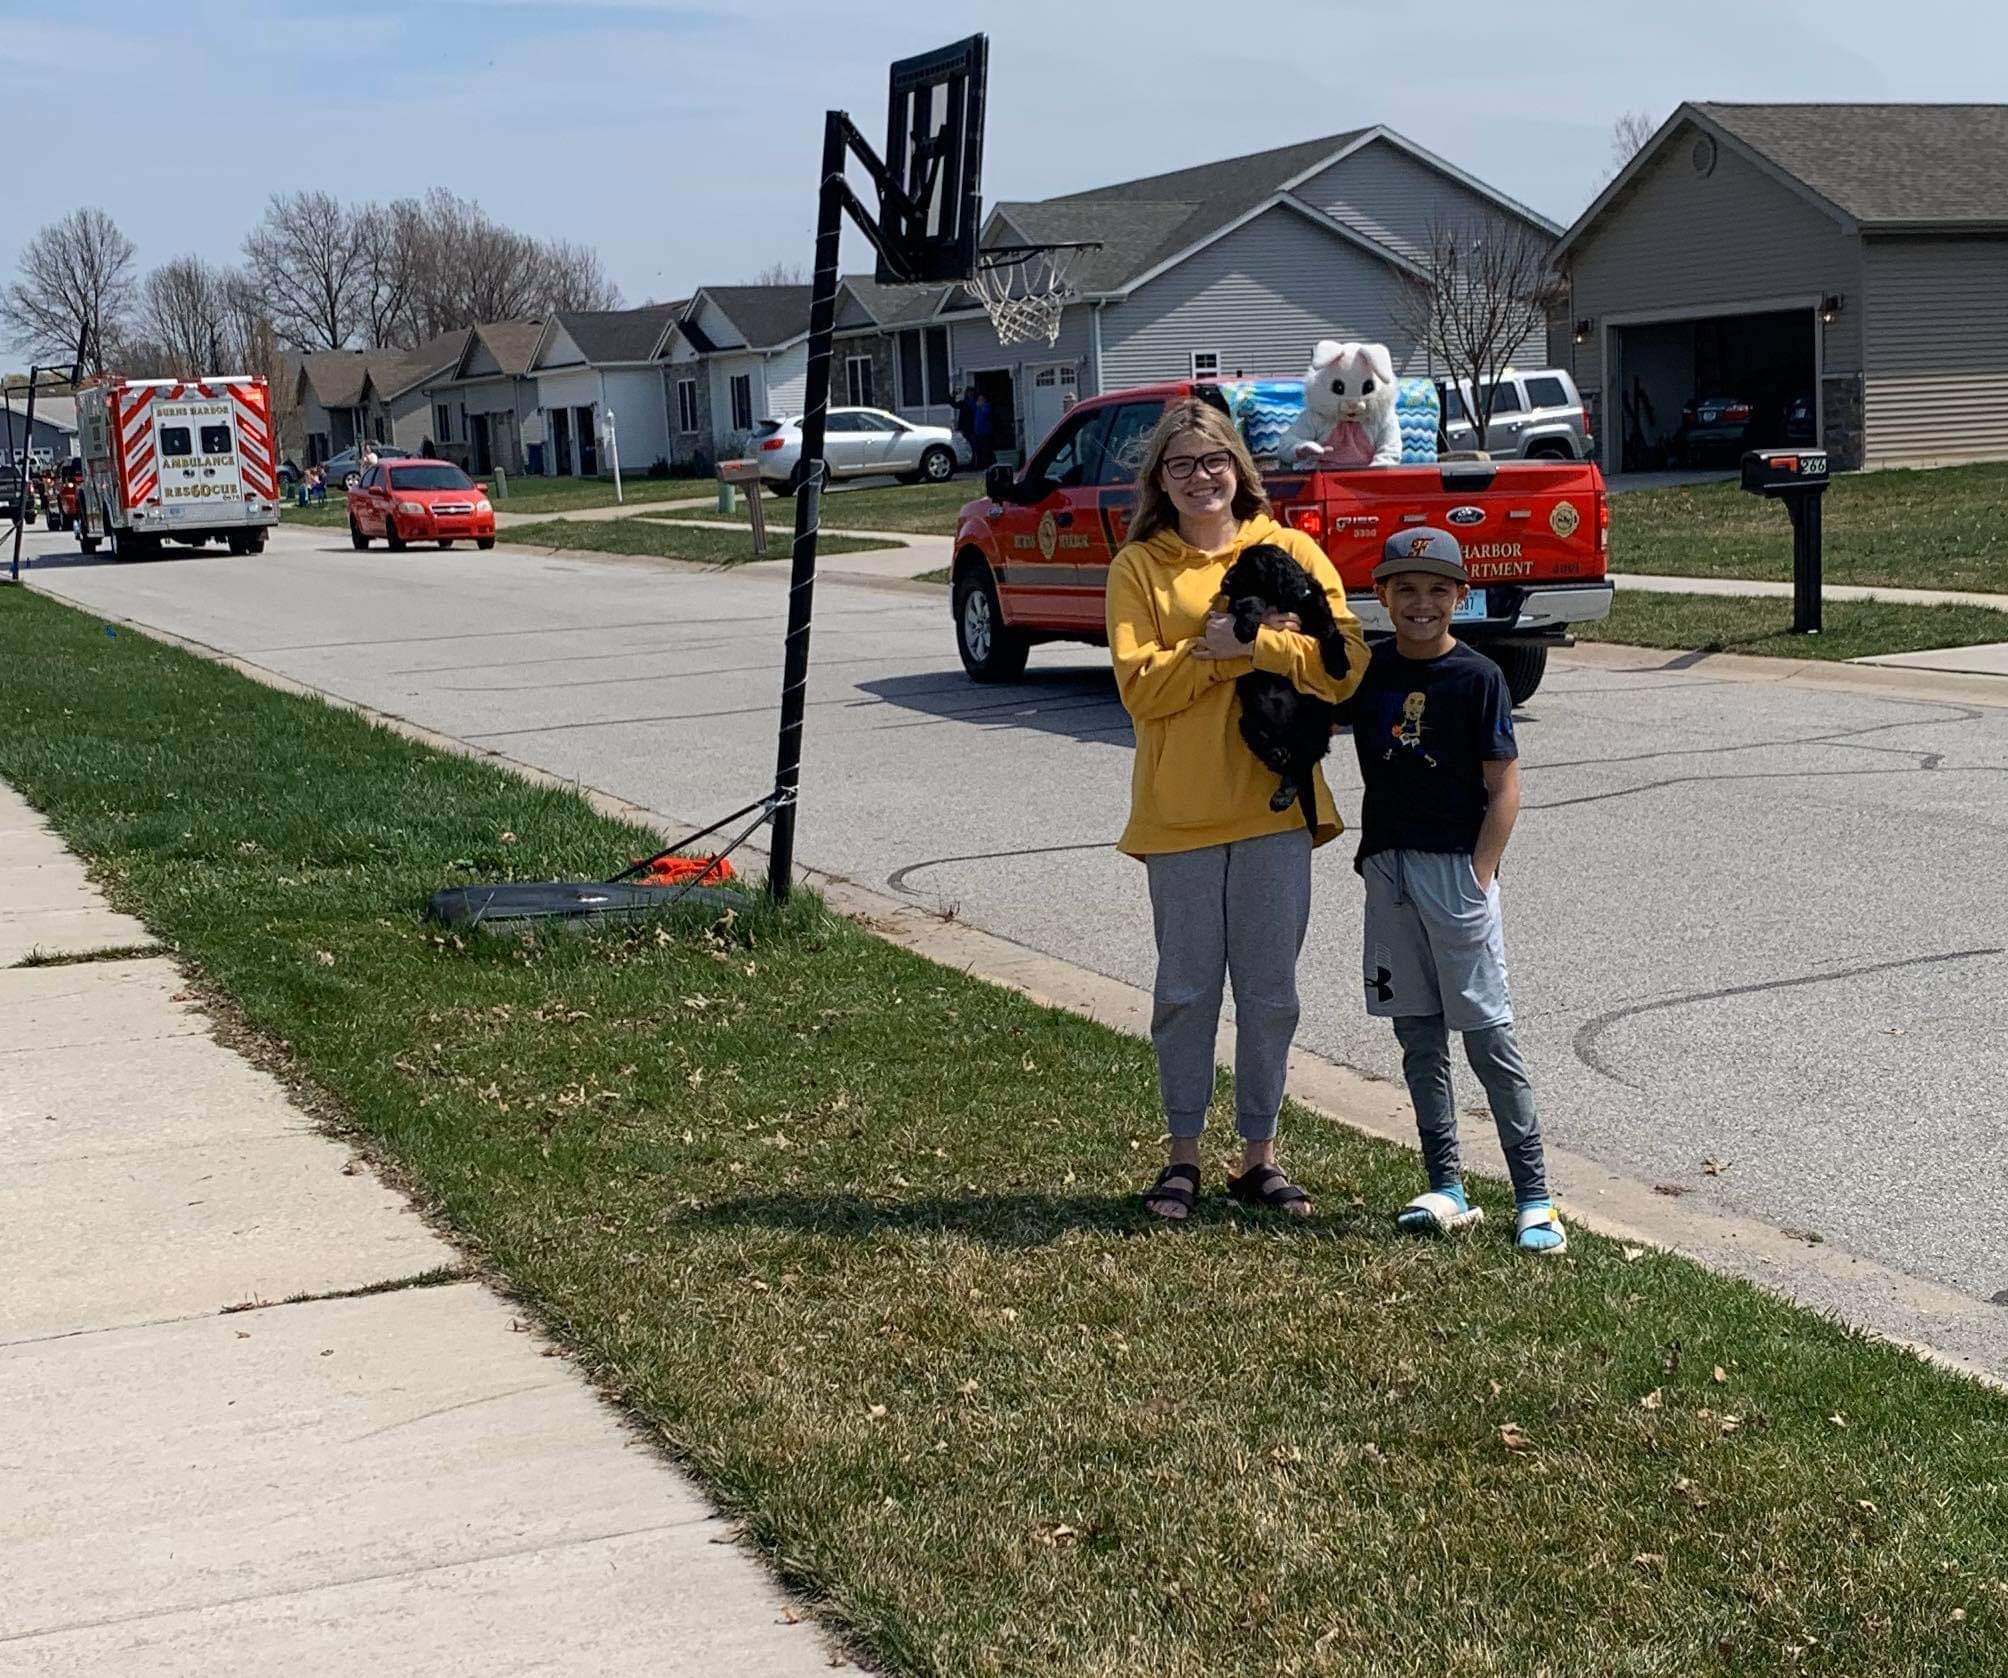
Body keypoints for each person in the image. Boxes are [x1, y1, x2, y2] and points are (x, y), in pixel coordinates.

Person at [1107, 398, 1368, 1222]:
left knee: (1271, 993)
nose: (1199, 477)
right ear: (1160, 479)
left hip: (1273, 807)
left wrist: (1255, 646)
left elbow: (1346, 664)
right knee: (1185, 990)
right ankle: (1180, 1157)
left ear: (1239, 468)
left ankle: (1259, 1156)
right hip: (1179, 815)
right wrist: (1216, 656)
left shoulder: (1289, 550)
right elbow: (1140, 688)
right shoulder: (1139, 568)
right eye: (1180, 465)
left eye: (1213, 460)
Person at [1340, 528, 1565, 1253]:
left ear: (1461, 597)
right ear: (1382, 596)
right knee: (1417, 1036)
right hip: (1389, 871)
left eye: (1438, 590)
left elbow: (1505, 789)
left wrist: (1480, 874)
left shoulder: (1478, 679)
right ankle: (1446, 1185)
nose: (1421, 604)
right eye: (1405, 589)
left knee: (1488, 1037)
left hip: (1455, 872)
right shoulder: (1368, 673)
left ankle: (1534, 1197)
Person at [969, 390, 995, 469]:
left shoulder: (987, 406)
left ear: (984, 400)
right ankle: (981, 465)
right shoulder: (977, 407)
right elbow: (970, 405)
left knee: (986, 450)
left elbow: (986, 413)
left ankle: (988, 465)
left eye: (981, 399)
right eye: (979, 399)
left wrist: (980, 406)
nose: (979, 401)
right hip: (978, 433)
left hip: (986, 432)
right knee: (979, 450)